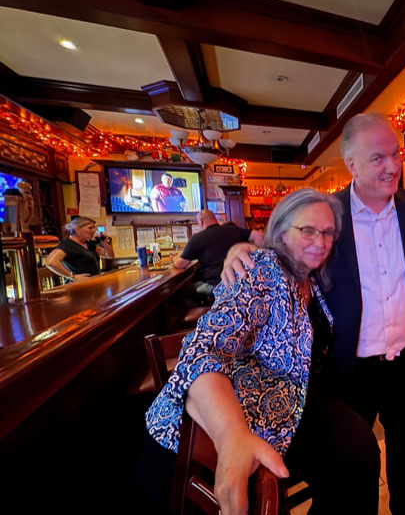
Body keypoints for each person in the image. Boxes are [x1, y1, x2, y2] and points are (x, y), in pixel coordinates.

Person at [221, 113, 405, 514]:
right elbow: (284, 247)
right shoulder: (327, 214)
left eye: (395, 154)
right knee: (350, 470)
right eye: (378, 158)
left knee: (404, 461)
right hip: (348, 369)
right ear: (352, 164)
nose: (392, 166)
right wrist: (241, 247)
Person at [142, 189, 380, 515]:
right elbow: (203, 347)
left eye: (327, 232)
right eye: (307, 230)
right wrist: (231, 434)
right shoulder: (261, 269)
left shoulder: (313, 277)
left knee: (357, 455)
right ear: (280, 232)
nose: (321, 241)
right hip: (215, 427)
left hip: (285, 408)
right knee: (355, 458)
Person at [172, 209, 263, 297]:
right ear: (214, 218)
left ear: (201, 221)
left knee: (180, 294)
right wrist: (255, 259)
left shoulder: (197, 238)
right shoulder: (234, 230)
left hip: (213, 285)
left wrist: (174, 258)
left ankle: (209, 306)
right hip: (238, 283)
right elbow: (259, 236)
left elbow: (181, 264)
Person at [45, 216, 115, 280]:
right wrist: (72, 276)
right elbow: (50, 262)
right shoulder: (68, 244)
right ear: (77, 230)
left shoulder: (88, 244)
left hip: (93, 283)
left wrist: (104, 242)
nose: (94, 230)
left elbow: (110, 255)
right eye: (90, 228)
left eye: (94, 228)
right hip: (79, 285)